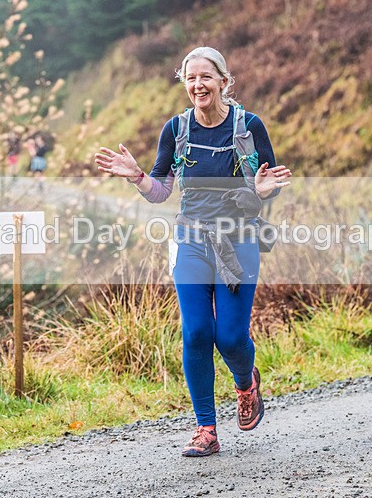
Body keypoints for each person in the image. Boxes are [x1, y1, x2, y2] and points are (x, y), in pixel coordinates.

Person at [94, 46, 292, 457]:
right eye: (191, 78)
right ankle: (206, 429)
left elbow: (263, 191)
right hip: (190, 241)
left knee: (232, 336)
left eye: (206, 77)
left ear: (224, 80)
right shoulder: (177, 129)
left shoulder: (249, 127)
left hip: (238, 240)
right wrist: (137, 177)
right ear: (184, 83)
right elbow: (162, 190)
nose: (198, 85)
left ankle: (245, 383)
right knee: (198, 331)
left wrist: (260, 192)